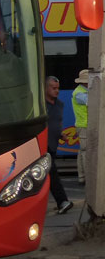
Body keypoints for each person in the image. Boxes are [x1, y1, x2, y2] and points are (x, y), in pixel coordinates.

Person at [45, 76, 73, 214]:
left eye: (58, 88)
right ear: (45, 88)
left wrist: (61, 135)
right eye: (53, 88)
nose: (57, 91)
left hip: (53, 144)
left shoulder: (59, 104)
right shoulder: (40, 105)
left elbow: (55, 124)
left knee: (47, 176)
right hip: (42, 146)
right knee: (52, 174)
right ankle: (63, 201)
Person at [72, 69, 89, 185]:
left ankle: (82, 176)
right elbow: (91, 102)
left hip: (83, 125)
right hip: (84, 125)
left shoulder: (81, 91)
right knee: (85, 152)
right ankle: (87, 176)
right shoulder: (80, 93)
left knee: (82, 151)